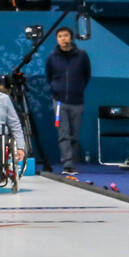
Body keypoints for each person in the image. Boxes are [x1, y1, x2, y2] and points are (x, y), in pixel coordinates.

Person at [45, 26, 92, 177]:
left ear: (71, 38)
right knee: (63, 133)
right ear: (57, 39)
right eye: (60, 36)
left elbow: (87, 75)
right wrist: (56, 89)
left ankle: (72, 161)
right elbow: (49, 76)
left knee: (74, 134)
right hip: (59, 102)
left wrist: (78, 89)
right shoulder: (52, 57)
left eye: (65, 35)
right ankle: (68, 163)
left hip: (77, 101)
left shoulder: (82, 56)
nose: (63, 39)